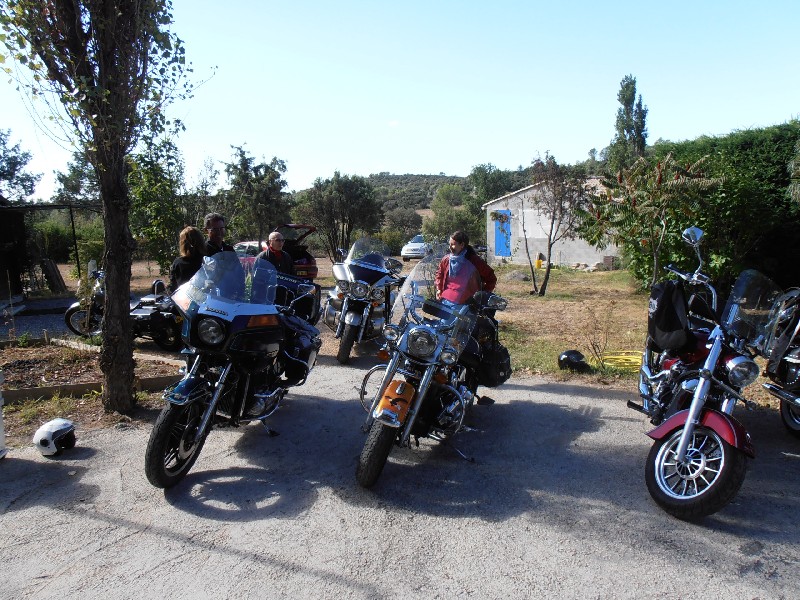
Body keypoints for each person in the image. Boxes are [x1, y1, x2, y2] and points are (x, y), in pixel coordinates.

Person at [434, 230, 496, 303]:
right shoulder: (446, 260)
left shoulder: (474, 261)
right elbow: (439, 274)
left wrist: (482, 295)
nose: (450, 247)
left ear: (462, 245)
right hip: (445, 301)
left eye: (453, 244)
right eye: (449, 244)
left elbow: (491, 277)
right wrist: (439, 289)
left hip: (466, 304)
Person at [169, 226, 206, 292]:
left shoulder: (178, 263)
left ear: (182, 243)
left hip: (183, 297)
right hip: (203, 298)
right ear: (201, 241)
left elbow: (173, 287)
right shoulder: (207, 261)